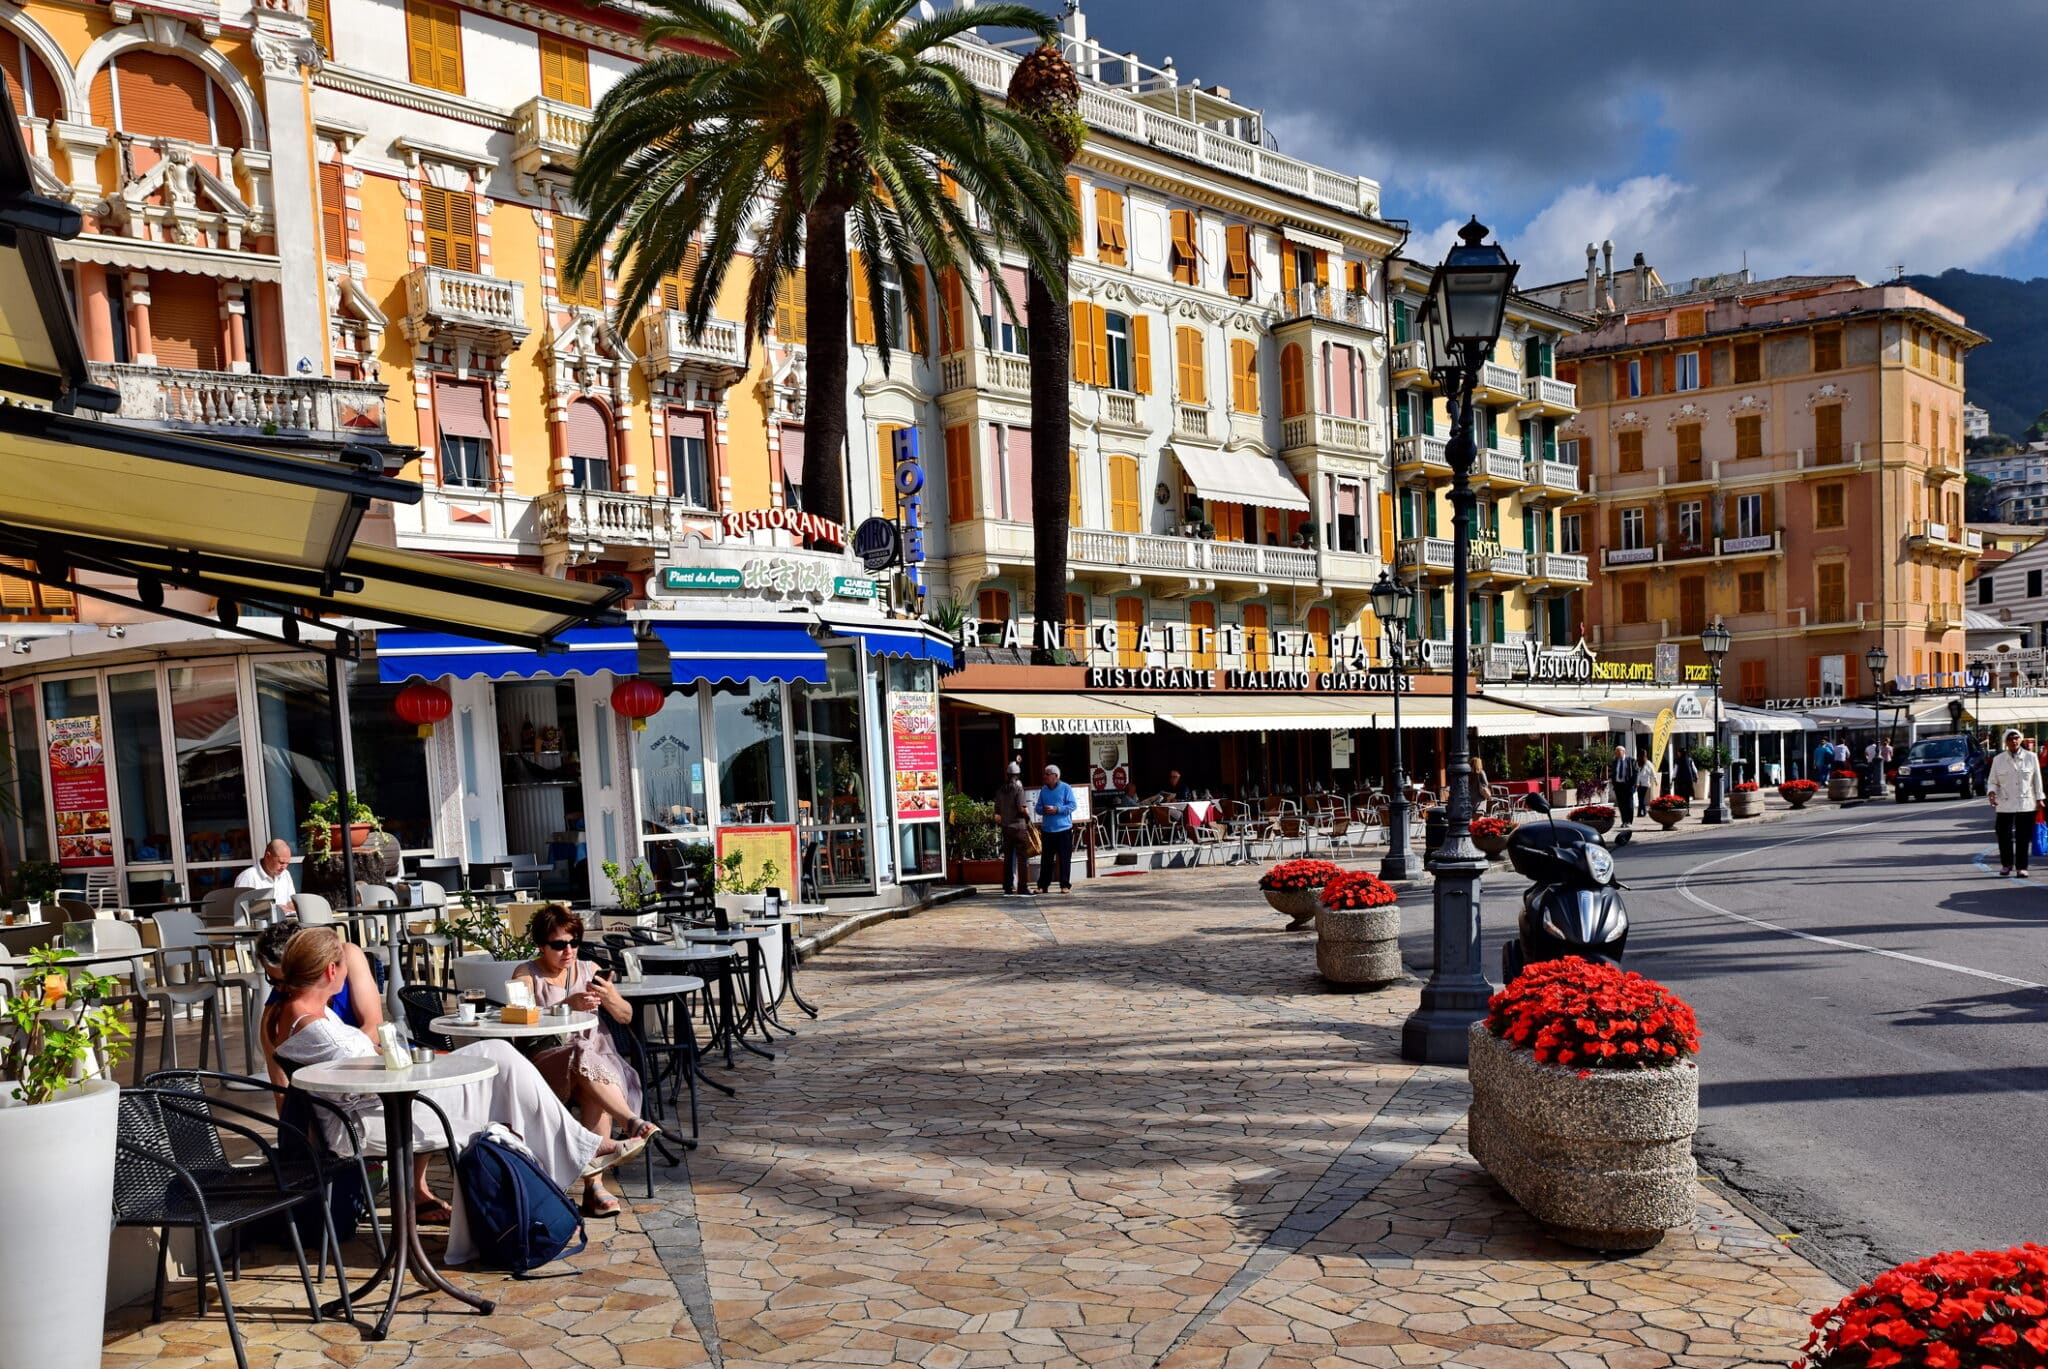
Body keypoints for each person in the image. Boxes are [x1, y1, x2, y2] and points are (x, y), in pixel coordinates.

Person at [264, 927, 643, 1253]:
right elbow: (379, 1072)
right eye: (346, 970)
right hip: (374, 1122)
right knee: (498, 1102)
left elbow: (375, 1063)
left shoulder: (289, 1015)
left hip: (371, 1110)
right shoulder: (326, 1033)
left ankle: (574, 1155)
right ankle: (558, 1184)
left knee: (498, 1058)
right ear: (331, 971)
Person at [512, 906, 658, 1218]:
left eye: (574, 942)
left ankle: (594, 1186)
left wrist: (609, 998)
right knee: (581, 1054)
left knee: (594, 1074)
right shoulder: (526, 975)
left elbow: (627, 1017)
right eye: (559, 945)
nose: (569, 951)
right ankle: (630, 1122)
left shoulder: (589, 968)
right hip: (548, 1061)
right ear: (540, 945)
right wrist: (566, 1005)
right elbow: (519, 1022)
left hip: (597, 1058)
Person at [255, 919, 382, 1032]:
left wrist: (346, 1052)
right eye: (273, 980)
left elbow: (374, 1026)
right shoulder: (282, 993)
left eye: (291, 979)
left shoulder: (346, 957)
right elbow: (269, 1046)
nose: (281, 988)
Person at [1988, 729, 2046, 878]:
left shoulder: (2031, 757)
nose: (2014, 741)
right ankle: (2006, 864)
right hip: (2005, 803)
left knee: (2023, 836)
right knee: (2003, 835)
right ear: (2005, 742)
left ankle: (2022, 867)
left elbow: (2037, 780)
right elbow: (1993, 781)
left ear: (2020, 740)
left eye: (2016, 738)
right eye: (2010, 739)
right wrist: (1992, 793)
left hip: (2026, 802)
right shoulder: (1998, 760)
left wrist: (2040, 798)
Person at [1035, 764, 1077, 894]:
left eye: (1048, 774)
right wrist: (1044, 810)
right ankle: (1042, 885)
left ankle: (1065, 885)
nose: (1045, 776)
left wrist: (1057, 809)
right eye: (1045, 774)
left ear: (1056, 776)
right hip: (1048, 830)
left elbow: (1072, 805)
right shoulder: (1044, 790)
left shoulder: (1066, 788)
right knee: (1046, 859)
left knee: (1064, 859)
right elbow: (1037, 808)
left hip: (1064, 829)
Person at [993, 763, 1033, 896]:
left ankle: (1008, 887)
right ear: (1017, 775)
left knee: (1008, 858)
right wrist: (1028, 817)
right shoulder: (1018, 789)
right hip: (1019, 827)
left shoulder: (1000, 791)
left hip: (1006, 828)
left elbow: (997, 814)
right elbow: (1021, 808)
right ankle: (1022, 887)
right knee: (1022, 858)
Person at [235, 838, 298, 913]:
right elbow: (240, 910)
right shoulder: (248, 877)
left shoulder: (286, 874)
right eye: (281, 862)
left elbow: (289, 902)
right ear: (268, 856)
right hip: (261, 923)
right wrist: (272, 909)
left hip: (287, 922)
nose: (284, 867)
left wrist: (301, 907)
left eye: (287, 863)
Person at [1609, 745, 1640, 825]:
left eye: (1618, 752)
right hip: (1618, 786)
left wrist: (1636, 782)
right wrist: (1613, 781)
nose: (1617, 754)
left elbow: (1636, 772)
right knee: (1621, 804)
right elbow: (1613, 772)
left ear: (1623, 752)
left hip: (1628, 785)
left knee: (1629, 803)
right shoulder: (1615, 761)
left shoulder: (1631, 760)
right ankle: (1624, 821)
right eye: (1616, 753)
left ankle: (1629, 821)